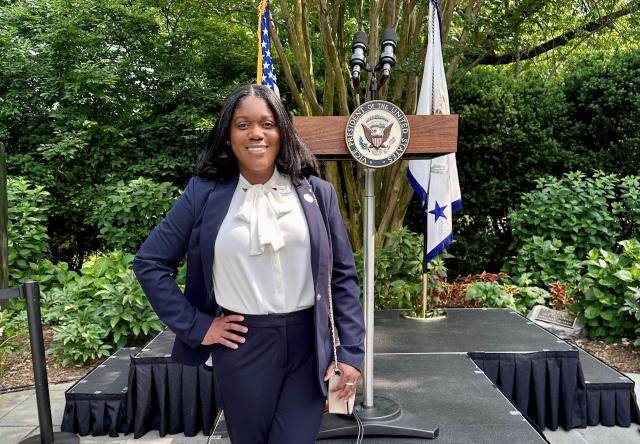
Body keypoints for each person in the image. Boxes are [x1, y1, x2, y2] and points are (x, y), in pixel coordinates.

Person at [134, 84, 365, 444]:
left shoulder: (318, 193)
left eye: (267, 124)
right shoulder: (203, 193)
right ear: (228, 136)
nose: (256, 133)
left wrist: (351, 352)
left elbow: (343, 277)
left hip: (309, 347)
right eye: (243, 125)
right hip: (242, 345)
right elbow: (150, 263)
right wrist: (198, 326)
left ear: (282, 132)